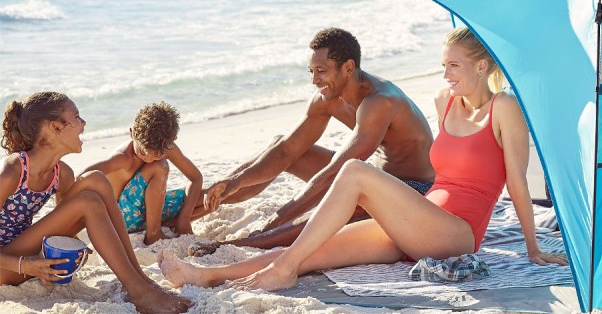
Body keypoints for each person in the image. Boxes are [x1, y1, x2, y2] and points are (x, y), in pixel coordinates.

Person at [159, 27, 567, 291]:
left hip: (456, 233)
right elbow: (288, 150)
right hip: (417, 221)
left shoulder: (504, 108)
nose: (445, 76)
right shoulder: (445, 102)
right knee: (313, 249)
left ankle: (278, 272)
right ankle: (204, 275)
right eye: (443, 65)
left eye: (454, 66)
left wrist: (532, 248)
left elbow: (517, 180)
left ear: (482, 66)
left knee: (355, 171)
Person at [191, 27, 436, 254]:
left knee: (346, 202)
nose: (314, 80)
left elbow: (333, 173)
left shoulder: (380, 101)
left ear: (348, 67)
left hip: (415, 190)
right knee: (281, 145)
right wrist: (235, 181)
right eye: (311, 71)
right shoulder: (327, 99)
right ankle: (192, 208)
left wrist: (274, 222)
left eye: (321, 71)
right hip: (375, 178)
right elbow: (288, 151)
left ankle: (245, 243)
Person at [0, 92, 191, 314]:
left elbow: (65, 226)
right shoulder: (12, 171)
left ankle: (139, 278)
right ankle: (138, 290)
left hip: (27, 254)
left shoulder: (62, 175)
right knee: (87, 200)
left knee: (96, 180)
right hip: (7, 265)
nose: (83, 123)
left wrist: (73, 249)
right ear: (55, 127)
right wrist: (26, 265)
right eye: (77, 117)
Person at [82, 101, 203, 245]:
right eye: (143, 152)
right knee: (159, 166)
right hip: (122, 217)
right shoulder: (123, 158)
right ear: (132, 133)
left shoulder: (165, 146)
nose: (149, 159)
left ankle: (173, 223)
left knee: (207, 197)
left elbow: (196, 178)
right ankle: (153, 234)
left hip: (147, 211)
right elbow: (84, 176)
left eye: (157, 155)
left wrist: (184, 218)